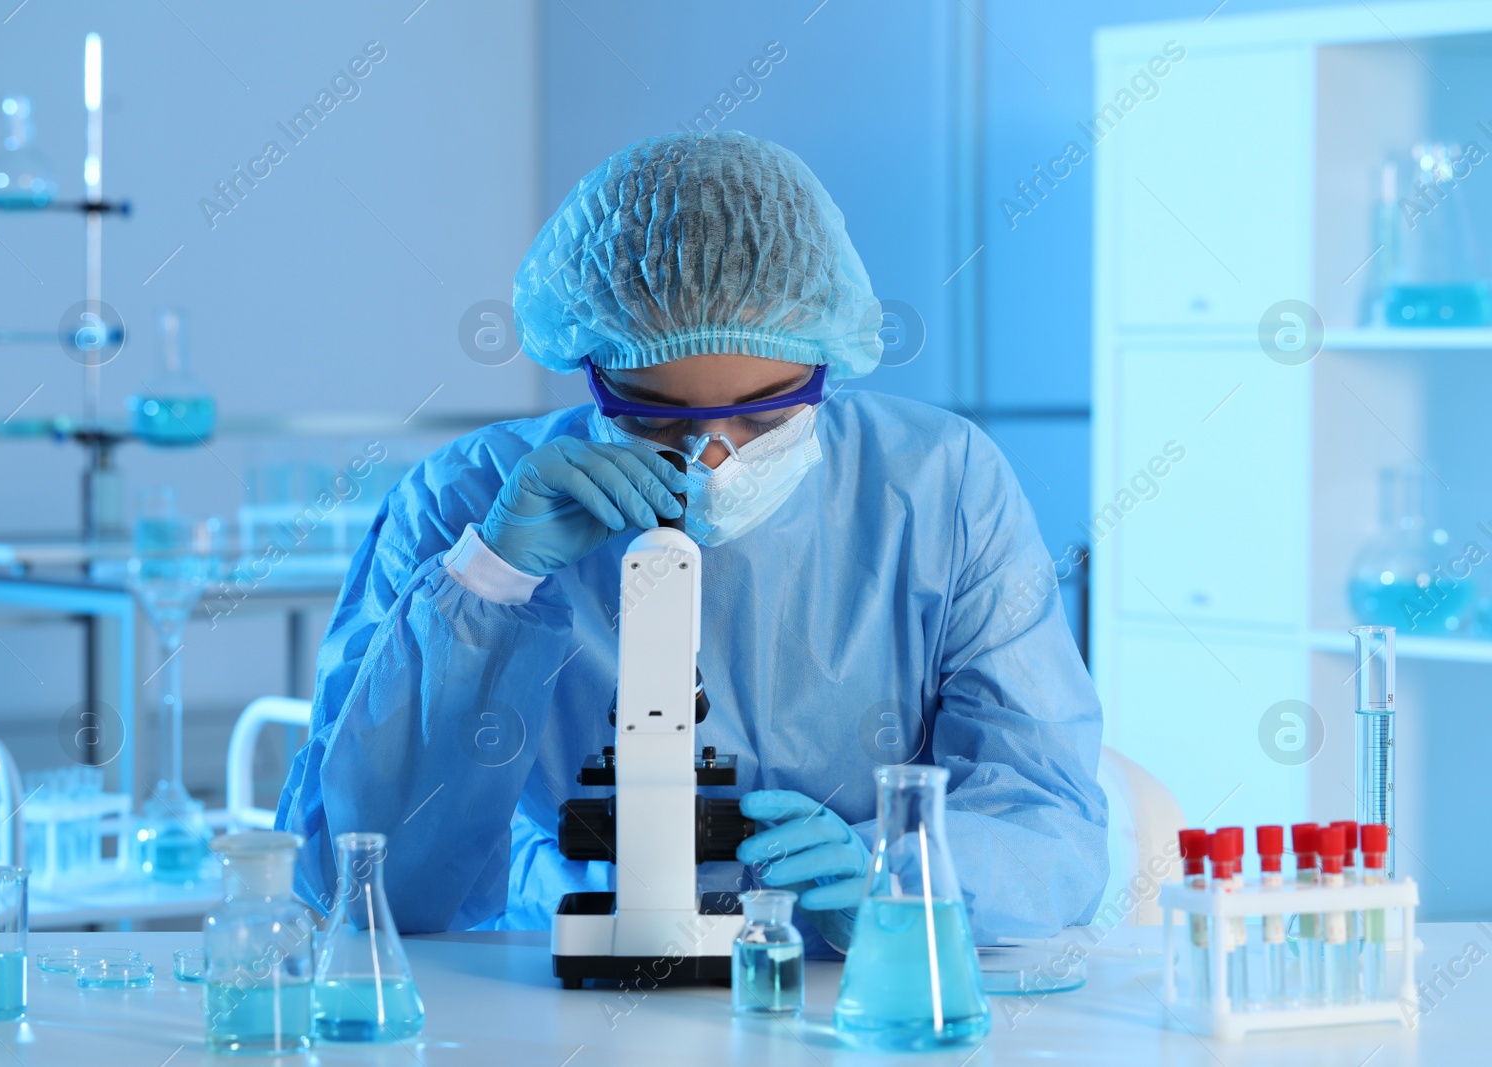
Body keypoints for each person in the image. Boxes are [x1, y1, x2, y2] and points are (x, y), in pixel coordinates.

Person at [278, 130, 1107, 955]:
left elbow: (1049, 820)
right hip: (560, 992)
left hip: (848, 990)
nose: (715, 460)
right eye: (656, 414)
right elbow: (345, 882)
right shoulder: (466, 498)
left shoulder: (938, 486)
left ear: (829, 361)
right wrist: (489, 583)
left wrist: (901, 875)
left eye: (767, 411)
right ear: (590, 365)